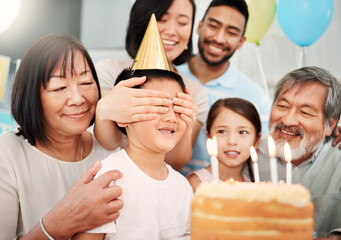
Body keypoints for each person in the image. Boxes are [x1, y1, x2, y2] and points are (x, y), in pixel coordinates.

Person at [0, 33, 123, 239]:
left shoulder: (110, 151)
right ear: (31, 97)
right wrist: (60, 222)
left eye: (86, 82)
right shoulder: (7, 154)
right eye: (59, 87)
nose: (77, 98)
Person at [73, 69, 193, 240]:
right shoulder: (107, 178)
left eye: (178, 107)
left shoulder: (183, 187)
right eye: (159, 106)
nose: (171, 117)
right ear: (123, 117)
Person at [94, 0, 208, 170]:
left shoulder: (195, 93)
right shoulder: (109, 71)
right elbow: (110, 143)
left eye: (183, 23)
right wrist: (104, 109)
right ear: (142, 20)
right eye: (161, 19)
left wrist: (186, 124)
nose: (171, 31)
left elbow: (175, 162)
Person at [175, 0, 271, 175]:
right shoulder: (170, 76)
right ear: (199, 27)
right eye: (213, 26)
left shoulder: (257, 99)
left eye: (231, 32)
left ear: (241, 42)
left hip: (220, 197)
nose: (219, 38)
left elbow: (270, 155)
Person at [256, 66, 341, 239]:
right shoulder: (251, 155)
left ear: (331, 124)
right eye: (282, 106)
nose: (288, 120)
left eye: (305, 112)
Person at [187, 98, 262, 192]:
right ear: (209, 137)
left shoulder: (254, 188)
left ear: (256, 141)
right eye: (222, 131)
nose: (232, 141)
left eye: (242, 132)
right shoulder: (198, 184)